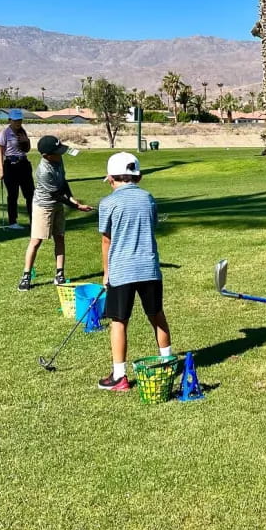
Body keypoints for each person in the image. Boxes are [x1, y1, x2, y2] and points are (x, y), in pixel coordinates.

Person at [97, 152, 172, 392]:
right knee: (156, 315)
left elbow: (106, 242)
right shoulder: (148, 198)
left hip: (122, 270)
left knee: (119, 322)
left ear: (111, 178)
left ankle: (120, 377)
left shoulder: (107, 203)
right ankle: (167, 363)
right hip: (149, 268)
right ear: (137, 177)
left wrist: (106, 273)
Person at [18, 135, 92, 291]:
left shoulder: (58, 160)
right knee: (36, 241)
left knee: (60, 237)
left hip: (57, 204)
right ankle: (26, 276)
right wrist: (76, 206)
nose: (61, 154)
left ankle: (59, 275)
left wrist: (72, 198)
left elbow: (63, 182)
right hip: (43, 206)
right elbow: (55, 195)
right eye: (57, 152)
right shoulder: (43, 171)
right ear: (47, 155)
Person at [0, 109, 34, 230]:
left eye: (20, 120)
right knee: (13, 195)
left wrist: (26, 142)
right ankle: (13, 222)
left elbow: (27, 149)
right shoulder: (4, 133)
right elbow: (0, 151)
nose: (18, 122)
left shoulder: (22, 132)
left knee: (30, 194)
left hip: (24, 164)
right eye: (16, 120)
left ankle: (34, 221)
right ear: (10, 120)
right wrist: (0, 168)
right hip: (10, 165)